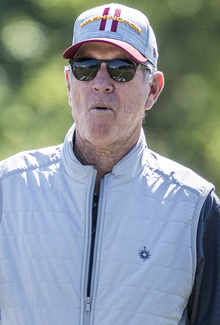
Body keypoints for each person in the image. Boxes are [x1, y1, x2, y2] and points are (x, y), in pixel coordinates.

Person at [0, 3, 219, 325]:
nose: (101, 82)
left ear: (153, 90)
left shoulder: (196, 207)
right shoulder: (8, 189)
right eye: (85, 67)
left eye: (122, 68)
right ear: (69, 83)